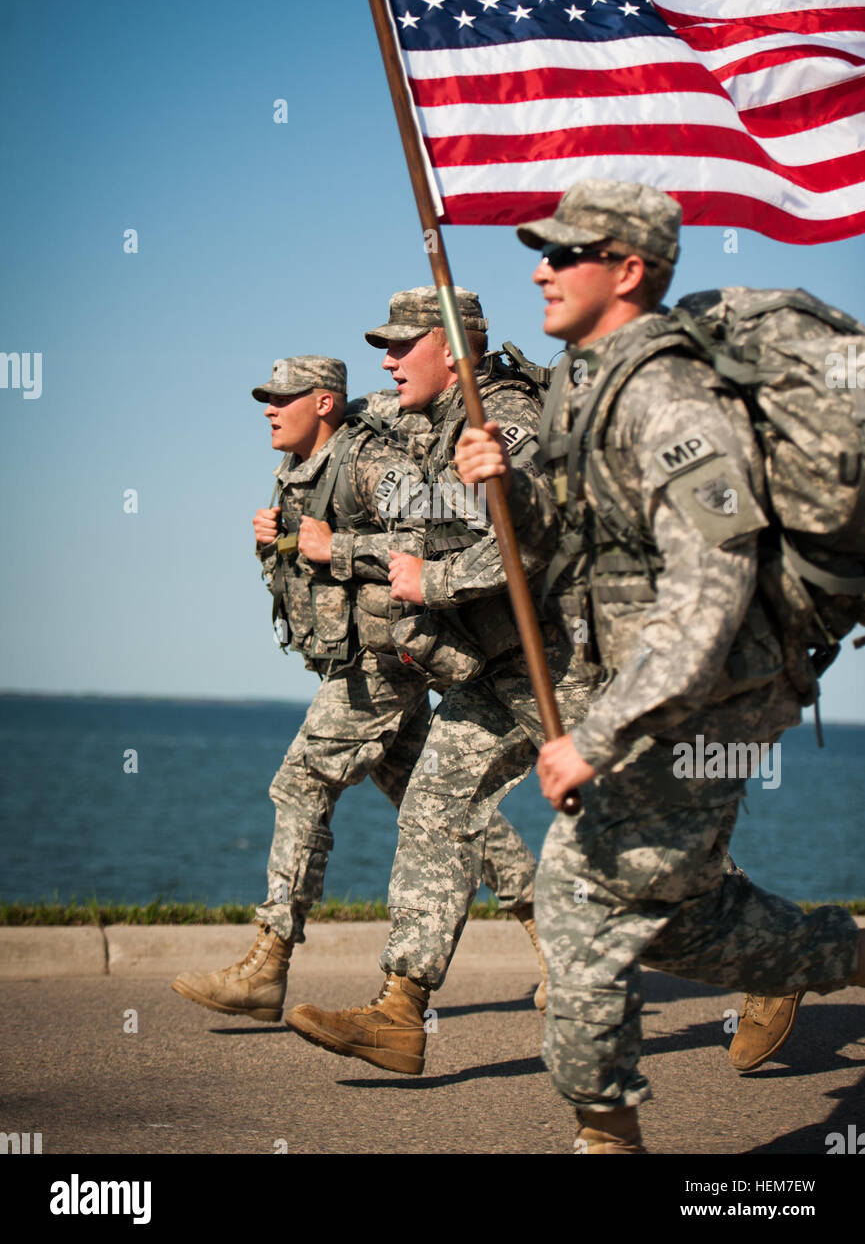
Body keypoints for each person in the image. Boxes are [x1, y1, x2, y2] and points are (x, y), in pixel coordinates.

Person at [454, 178, 864, 1153]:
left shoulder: (673, 396)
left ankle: (607, 1136)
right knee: (664, 912)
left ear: (628, 269)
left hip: (714, 698)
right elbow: (580, 549)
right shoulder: (584, 383)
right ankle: (822, 953)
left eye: (565, 253)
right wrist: (501, 491)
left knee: (583, 889)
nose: (541, 269)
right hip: (649, 692)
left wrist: (595, 737)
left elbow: (714, 577)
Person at [284, 290, 601, 1075]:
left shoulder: (505, 420)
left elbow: (534, 542)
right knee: (433, 809)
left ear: (450, 345)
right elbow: (414, 534)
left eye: (400, 346)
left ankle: (778, 963)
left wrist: (438, 584)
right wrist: (347, 554)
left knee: (644, 832)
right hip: (492, 668)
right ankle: (401, 1007)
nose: (385, 362)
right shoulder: (433, 431)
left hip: (562, 665)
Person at [171, 354, 540, 1024]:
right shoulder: (299, 470)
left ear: (322, 403)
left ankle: (268, 960)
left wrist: (333, 545)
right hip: (368, 651)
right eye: (266, 397)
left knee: (302, 780)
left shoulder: (371, 462)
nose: (268, 409)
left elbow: (432, 533)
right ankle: (549, 932)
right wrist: (275, 542)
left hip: (392, 650)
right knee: (433, 803)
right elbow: (311, 559)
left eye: (282, 398)